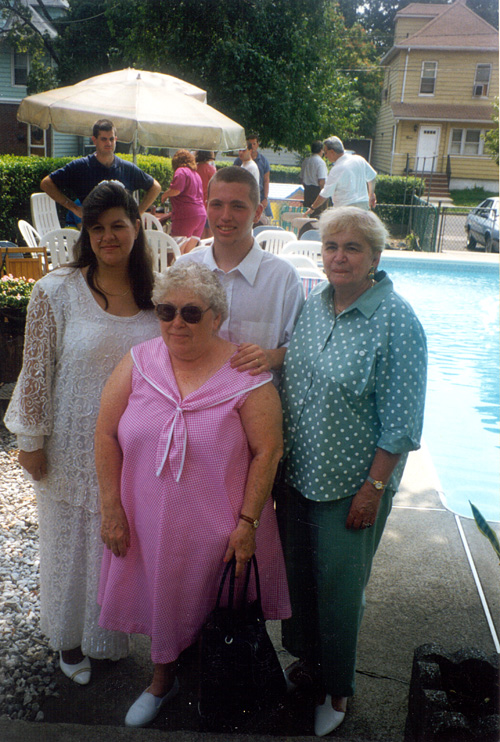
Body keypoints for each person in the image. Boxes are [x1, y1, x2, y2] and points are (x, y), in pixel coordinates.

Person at [96, 261, 291, 727]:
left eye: (190, 313)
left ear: (217, 316)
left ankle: (220, 684)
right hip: (149, 520)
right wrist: (111, 508)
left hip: (222, 525)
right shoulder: (140, 360)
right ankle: (162, 681)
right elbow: (105, 434)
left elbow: (269, 450)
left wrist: (247, 525)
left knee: (220, 611)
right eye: (165, 312)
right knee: (162, 596)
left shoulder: (244, 372)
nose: (176, 323)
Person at [276, 207, 427, 736]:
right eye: (331, 246)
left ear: (375, 257)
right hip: (297, 475)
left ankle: (339, 692)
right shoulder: (315, 305)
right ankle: (310, 665)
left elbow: (402, 424)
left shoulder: (397, 320)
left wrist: (374, 489)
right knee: (299, 584)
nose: (339, 256)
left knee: (340, 593)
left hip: (351, 485)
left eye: (353, 248)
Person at [4, 182, 160, 685]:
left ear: (137, 227)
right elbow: (36, 371)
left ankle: (107, 638)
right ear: (85, 236)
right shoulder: (56, 290)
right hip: (70, 443)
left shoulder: (157, 298)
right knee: (70, 546)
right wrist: (31, 440)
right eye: (97, 228)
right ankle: (69, 643)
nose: (108, 236)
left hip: (133, 449)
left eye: (119, 224)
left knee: (116, 546)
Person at [176, 166, 304, 382]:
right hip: (192, 393)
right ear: (206, 207)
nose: (225, 216)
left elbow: (300, 346)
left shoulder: (283, 278)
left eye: (237, 206)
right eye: (217, 205)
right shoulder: (184, 269)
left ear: (257, 212)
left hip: (255, 403)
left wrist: (271, 356)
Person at [41, 119, 161, 220]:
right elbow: (46, 183)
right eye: (104, 139)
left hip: (121, 233)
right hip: (92, 232)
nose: (108, 143)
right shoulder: (81, 167)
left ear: (116, 140)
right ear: (94, 140)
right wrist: (73, 208)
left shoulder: (126, 168)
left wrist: (137, 213)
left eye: (111, 139)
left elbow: (155, 187)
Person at [305, 137, 377, 216]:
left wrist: (312, 208)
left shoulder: (337, 169)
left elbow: (325, 193)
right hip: (363, 208)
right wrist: (371, 194)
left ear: (332, 152)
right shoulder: (360, 159)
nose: (325, 156)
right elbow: (372, 177)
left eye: (326, 152)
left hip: (345, 211)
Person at [160, 149, 207, 240]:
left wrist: (165, 194)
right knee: (189, 251)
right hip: (201, 214)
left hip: (186, 216)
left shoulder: (181, 171)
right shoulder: (196, 174)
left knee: (177, 250)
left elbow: (176, 190)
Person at [234, 134, 272, 217]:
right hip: (246, 201)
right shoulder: (240, 162)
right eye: (239, 150)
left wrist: (265, 198)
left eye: (243, 150)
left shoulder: (261, 162)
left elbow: (266, 180)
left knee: (266, 218)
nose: (240, 152)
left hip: (257, 197)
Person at [300, 140, 328, 212]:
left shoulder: (306, 161)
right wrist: (324, 195)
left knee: (308, 213)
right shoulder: (320, 162)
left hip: (307, 191)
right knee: (319, 215)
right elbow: (321, 181)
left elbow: (302, 179)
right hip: (317, 192)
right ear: (321, 150)